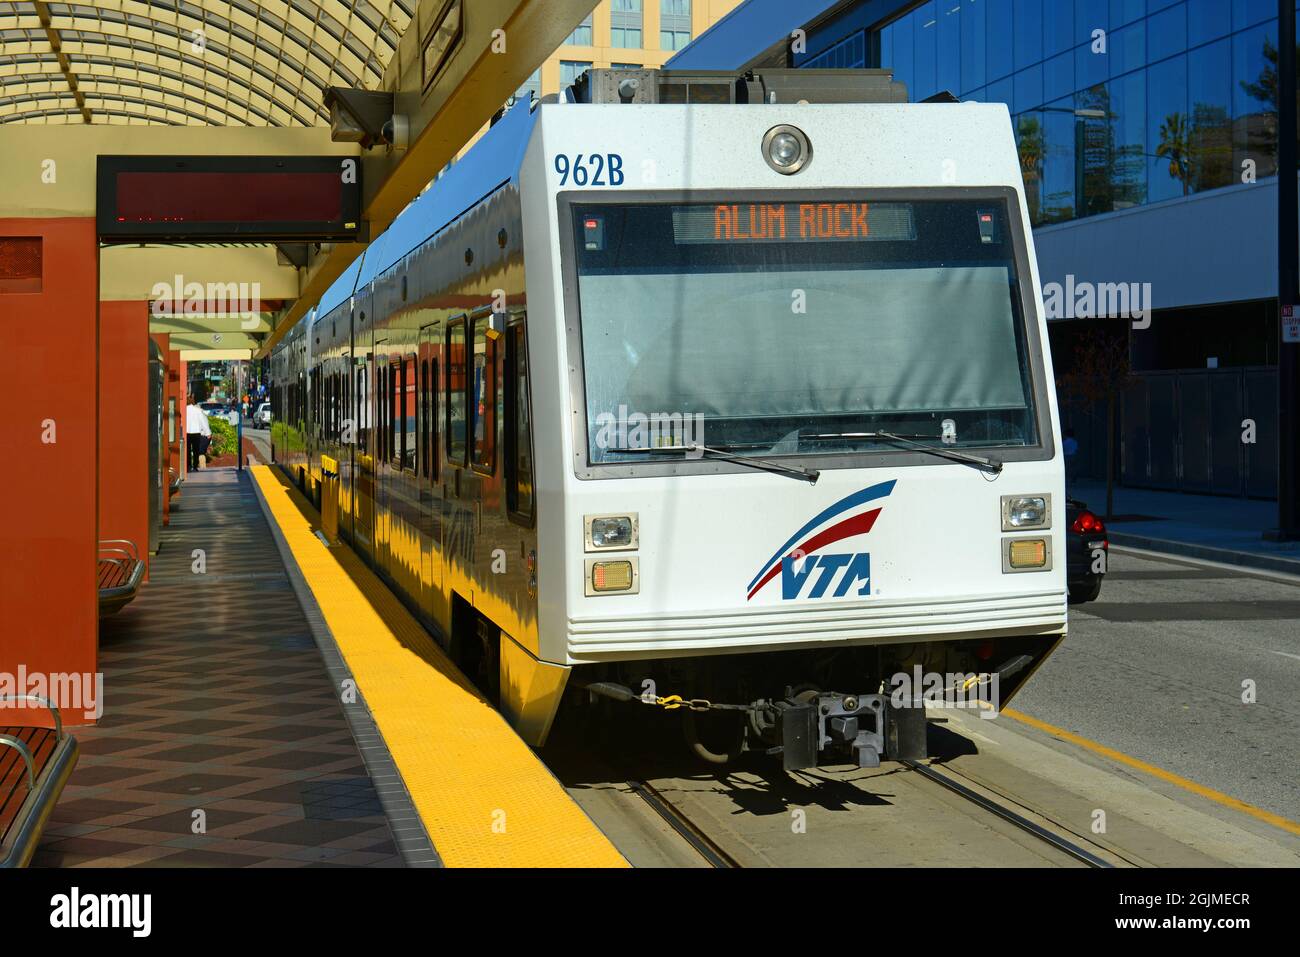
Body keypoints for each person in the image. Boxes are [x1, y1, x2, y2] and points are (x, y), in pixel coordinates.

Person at [185, 394, 211, 471]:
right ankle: (195, 466)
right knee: (196, 450)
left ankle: (188, 466)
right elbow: (203, 422)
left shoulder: (184, 410)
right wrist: (208, 433)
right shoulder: (198, 411)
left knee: (187, 450)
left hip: (186, 432)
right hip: (196, 432)